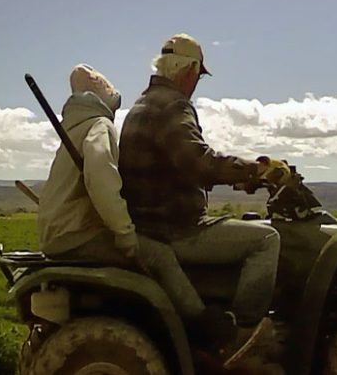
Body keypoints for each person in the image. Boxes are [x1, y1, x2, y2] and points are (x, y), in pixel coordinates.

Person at [36, 64, 241, 359]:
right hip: (77, 234)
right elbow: (101, 178)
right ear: (99, 93)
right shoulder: (99, 126)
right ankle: (203, 328)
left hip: (61, 232)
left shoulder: (75, 126)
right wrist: (125, 233)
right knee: (159, 255)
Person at [119, 34, 284, 362]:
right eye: (197, 75)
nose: (196, 83)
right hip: (176, 229)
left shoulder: (143, 104)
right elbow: (199, 162)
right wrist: (258, 170)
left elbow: (178, 167)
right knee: (266, 239)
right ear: (189, 69)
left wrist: (241, 180)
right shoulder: (173, 105)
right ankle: (242, 334)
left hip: (150, 222)